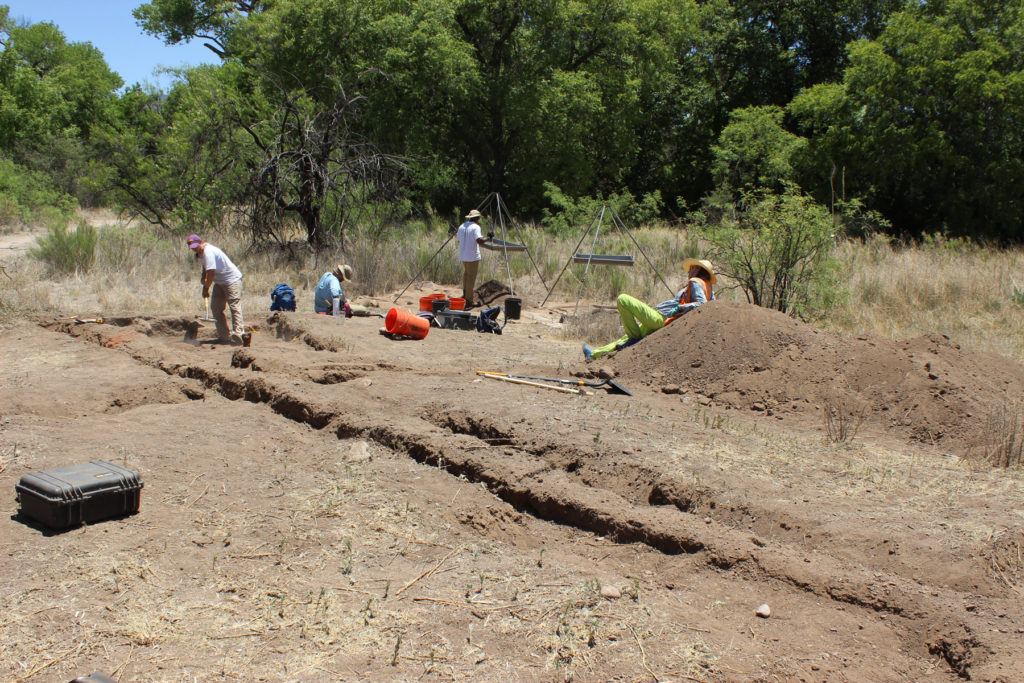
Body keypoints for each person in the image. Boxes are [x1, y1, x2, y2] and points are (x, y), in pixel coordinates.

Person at [583, 258, 716, 360]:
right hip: (667, 320)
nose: (689, 271)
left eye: (692, 268)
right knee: (624, 339)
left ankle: (634, 338)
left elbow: (702, 304)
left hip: (662, 318)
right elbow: (713, 305)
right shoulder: (709, 287)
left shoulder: (695, 281)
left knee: (623, 299)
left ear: (698, 270)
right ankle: (593, 355)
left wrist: (679, 308)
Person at [187, 234, 245, 345]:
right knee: (216, 307)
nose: (194, 248)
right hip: (220, 282)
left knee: (234, 306)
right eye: (192, 247)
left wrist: (206, 288)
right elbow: (206, 268)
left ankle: (239, 334)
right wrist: (203, 276)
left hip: (231, 280)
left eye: (195, 246)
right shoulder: (202, 253)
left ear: (200, 242)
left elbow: (212, 272)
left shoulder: (208, 251)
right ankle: (224, 336)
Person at [456, 209, 490, 308]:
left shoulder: (462, 226)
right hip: (472, 256)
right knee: (471, 278)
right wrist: (488, 237)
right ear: (476, 218)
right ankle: (469, 300)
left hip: (463, 256)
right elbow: (479, 240)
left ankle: (465, 295)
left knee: (466, 275)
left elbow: (459, 239)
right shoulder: (475, 227)